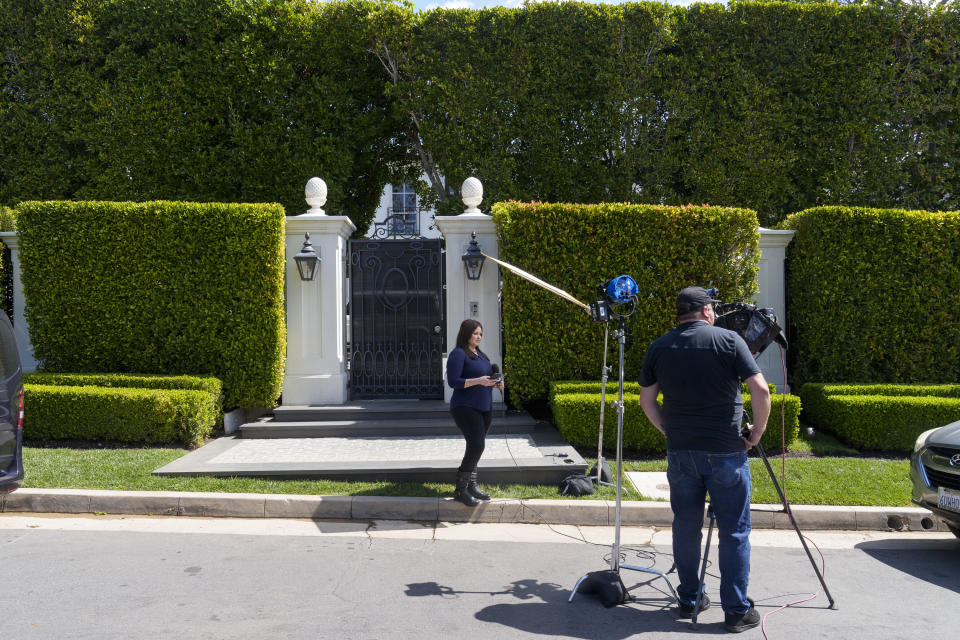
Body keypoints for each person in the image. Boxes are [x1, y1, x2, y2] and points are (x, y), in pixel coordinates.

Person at [638, 286, 771, 634]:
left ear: (680, 314)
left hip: (681, 452)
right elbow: (761, 389)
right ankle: (736, 611)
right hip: (727, 451)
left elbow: (647, 401)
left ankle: (689, 598)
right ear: (707, 311)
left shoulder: (659, 346)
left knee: (685, 526)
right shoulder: (729, 341)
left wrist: (668, 429)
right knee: (734, 531)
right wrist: (756, 433)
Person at [446, 319, 503, 507]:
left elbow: (485, 379)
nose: (478, 336)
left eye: (480, 334)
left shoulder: (481, 356)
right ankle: (460, 489)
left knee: (474, 446)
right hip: (465, 406)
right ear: (466, 333)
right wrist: (478, 380)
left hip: (484, 407)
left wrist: (496, 383)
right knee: (477, 445)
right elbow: (453, 382)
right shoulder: (458, 354)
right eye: (475, 333)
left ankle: (472, 485)